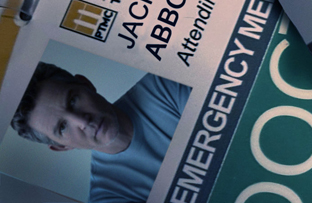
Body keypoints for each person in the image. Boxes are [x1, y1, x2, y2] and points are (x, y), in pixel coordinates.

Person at [10, 62, 190, 203]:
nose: (83, 121)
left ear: (86, 84)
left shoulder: (162, 86)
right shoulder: (108, 197)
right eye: (62, 127)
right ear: (62, 147)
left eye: (72, 101)